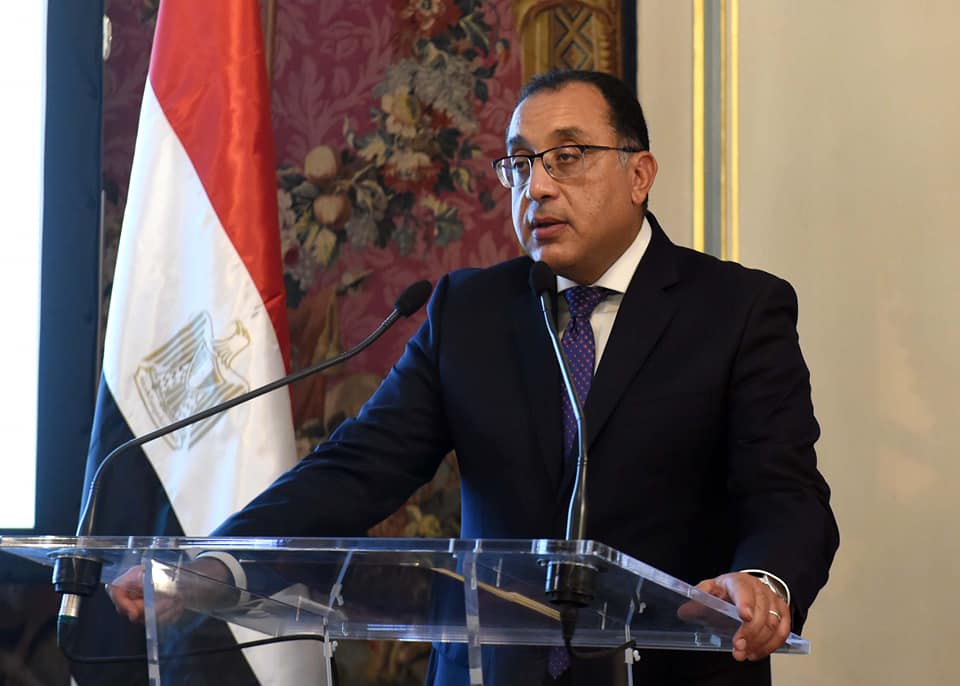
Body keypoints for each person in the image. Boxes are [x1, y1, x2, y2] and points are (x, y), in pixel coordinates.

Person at [111, 70, 839, 685]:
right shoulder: (469, 311)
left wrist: (764, 580)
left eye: (568, 157)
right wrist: (218, 561)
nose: (538, 187)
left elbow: (786, 490)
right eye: (520, 164)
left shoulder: (737, 310)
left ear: (639, 174)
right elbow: (358, 467)